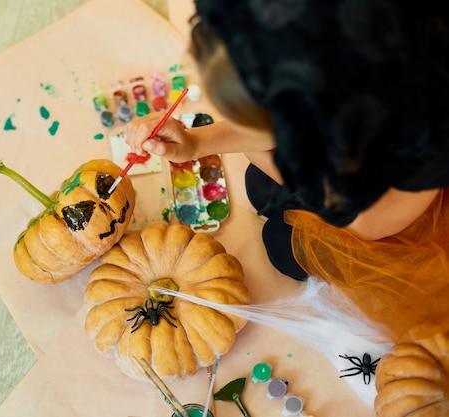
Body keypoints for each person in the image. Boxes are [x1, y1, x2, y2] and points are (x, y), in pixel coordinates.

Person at [126, 0, 449, 343]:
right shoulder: (319, 60)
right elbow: (269, 123)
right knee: (260, 186)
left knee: (282, 245)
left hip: (373, 211)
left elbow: (365, 224)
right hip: (339, 168)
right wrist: (194, 143)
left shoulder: (427, 139)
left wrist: (270, 159)